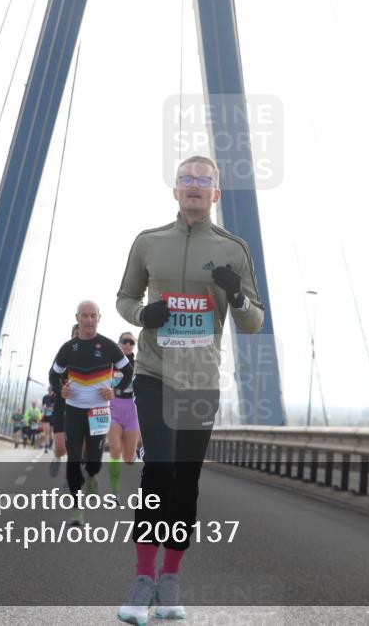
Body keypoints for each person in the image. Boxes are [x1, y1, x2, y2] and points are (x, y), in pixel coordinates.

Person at [115, 155, 265, 624]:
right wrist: (143, 316)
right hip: (154, 373)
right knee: (159, 471)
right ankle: (142, 581)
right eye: (186, 180)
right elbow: (124, 298)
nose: (195, 187)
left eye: (204, 181)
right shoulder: (148, 242)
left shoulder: (233, 248)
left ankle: (171, 578)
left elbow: (253, 320)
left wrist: (236, 294)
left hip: (201, 381)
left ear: (216, 194)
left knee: (186, 482)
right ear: (175, 191)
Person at [49, 301, 133, 526]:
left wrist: (114, 391)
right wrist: (61, 389)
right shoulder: (68, 348)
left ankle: (93, 476)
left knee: (94, 462)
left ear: (99, 318)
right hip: (75, 411)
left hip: (99, 411)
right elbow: (53, 375)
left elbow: (128, 371)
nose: (88, 320)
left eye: (92, 315)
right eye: (84, 316)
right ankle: (77, 512)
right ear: (77, 318)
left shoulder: (108, 346)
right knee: (73, 460)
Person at [107, 331, 140, 494]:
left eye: (131, 342)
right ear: (118, 343)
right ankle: (115, 491)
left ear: (134, 345)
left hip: (132, 409)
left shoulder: (140, 364)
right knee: (115, 449)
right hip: (112, 407)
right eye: (124, 341)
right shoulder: (110, 362)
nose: (127, 344)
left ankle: (135, 455)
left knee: (128, 458)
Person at [49, 323, 80, 477]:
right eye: (76, 333)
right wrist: (59, 388)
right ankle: (57, 456)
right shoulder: (64, 353)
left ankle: (71, 481)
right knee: (61, 447)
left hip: (84, 406)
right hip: (63, 403)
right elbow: (53, 376)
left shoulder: (96, 354)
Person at [40, 388, 55, 453]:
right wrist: (44, 408)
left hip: (53, 417)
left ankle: (50, 444)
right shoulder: (45, 397)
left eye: (51, 390)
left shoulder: (55, 398)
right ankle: (46, 446)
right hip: (46, 416)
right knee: (46, 432)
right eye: (49, 390)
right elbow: (42, 405)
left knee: (50, 433)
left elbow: (55, 407)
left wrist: (51, 408)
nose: (50, 391)